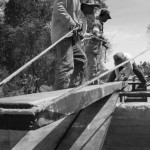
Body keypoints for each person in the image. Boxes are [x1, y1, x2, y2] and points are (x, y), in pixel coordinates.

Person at [51, 0, 83, 90]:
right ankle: (59, 98)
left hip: (72, 37)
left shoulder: (78, 1)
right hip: (63, 35)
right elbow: (58, 7)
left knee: (81, 59)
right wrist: (71, 22)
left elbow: (78, 16)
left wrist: (80, 23)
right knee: (66, 66)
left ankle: (72, 88)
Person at [85, 8, 111, 84]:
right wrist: (103, 38)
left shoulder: (100, 23)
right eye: (107, 17)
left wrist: (104, 44)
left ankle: (96, 83)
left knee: (97, 67)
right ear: (103, 15)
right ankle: (90, 84)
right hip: (91, 49)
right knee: (92, 67)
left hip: (96, 50)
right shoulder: (97, 23)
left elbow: (97, 37)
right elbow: (95, 33)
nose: (107, 19)